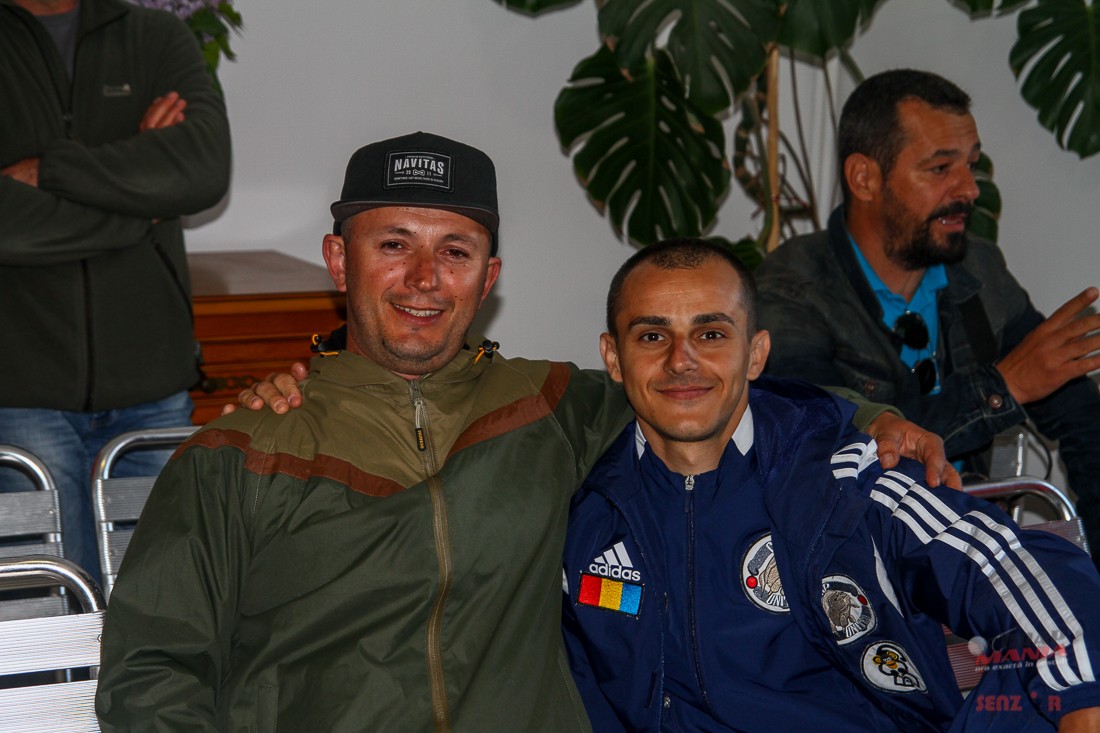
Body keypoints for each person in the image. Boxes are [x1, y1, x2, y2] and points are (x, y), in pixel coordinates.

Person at [96, 131, 955, 732]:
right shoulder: (239, 453)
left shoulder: (553, 406)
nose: (424, 277)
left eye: (456, 250)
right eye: (392, 244)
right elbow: (152, 673)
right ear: (337, 259)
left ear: (490, 276)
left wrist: (870, 415)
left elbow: (706, 384)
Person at [562, 237, 1100, 732]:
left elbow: (1000, 562)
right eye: (652, 336)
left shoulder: (844, 474)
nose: (682, 360)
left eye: (711, 334)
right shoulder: (587, 512)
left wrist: (1083, 700)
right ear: (613, 358)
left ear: (756, 354)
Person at [753, 69, 1100, 569]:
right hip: (852, 565)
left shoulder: (978, 270)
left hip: (969, 555)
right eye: (940, 168)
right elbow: (837, 449)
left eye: (971, 165)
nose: (969, 190)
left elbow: (1084, 424)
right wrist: (1002, 388)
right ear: (864, 178)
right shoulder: (791, 290)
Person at [0, 0, 232, 578]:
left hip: (153, 390)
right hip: (19, 394)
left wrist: (45, 171)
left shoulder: (156, 35)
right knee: (46, 610)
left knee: (165, 601)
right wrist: (137, 209)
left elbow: (202, 168)